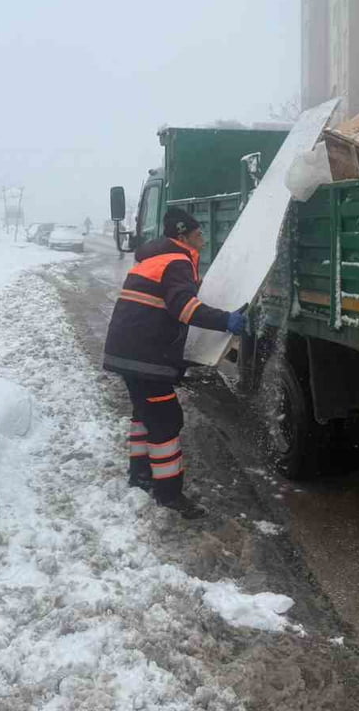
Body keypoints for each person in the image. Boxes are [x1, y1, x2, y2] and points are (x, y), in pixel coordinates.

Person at [103, 206, 246, 519]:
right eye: (198, 233)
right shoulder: (178, 261)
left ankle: (140, 476)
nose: (203, 239)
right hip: (145, 356)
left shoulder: (157, 258)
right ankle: (168, 495)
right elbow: (184, 308)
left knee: (145, 414)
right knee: (166, 419)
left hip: (130, 352)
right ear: (184, 236)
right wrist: (226, 321)